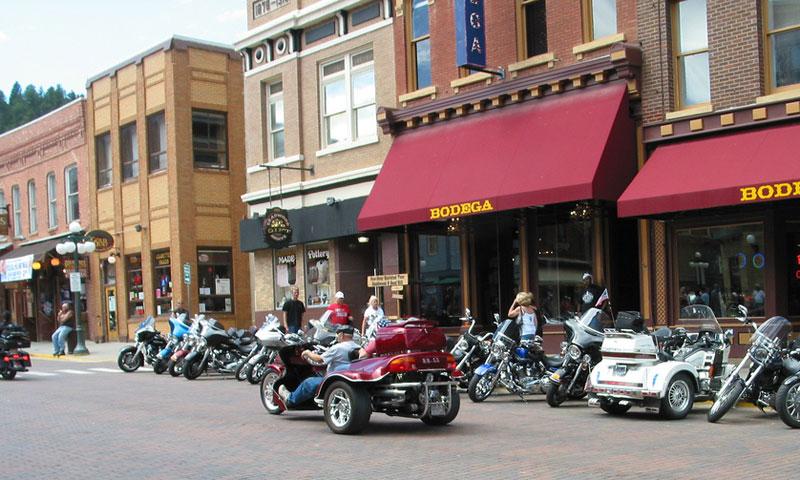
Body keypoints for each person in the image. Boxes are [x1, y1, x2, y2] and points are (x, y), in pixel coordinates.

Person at [276, 324, 363, 410]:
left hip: (333, 380)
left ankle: (290, 399)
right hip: (348, 379)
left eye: (337, 334)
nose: (337, 336)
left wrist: (307, 353)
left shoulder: (338, 348)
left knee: (308, 382)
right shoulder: (358, 347)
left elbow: (319, 359)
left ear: (341, 335)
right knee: (317, 375)